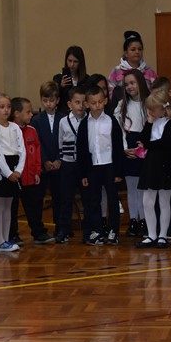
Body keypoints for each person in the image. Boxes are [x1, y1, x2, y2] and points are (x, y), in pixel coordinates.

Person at [77, 85, 125, 245]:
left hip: (110, 166)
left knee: (113, 200)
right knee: (93, 200)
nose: (97, 105)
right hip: (93, 167)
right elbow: (81, 150)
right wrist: (83, 174)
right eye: (93, 103)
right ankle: (96, 230)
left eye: (100, 102)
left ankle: (113, 231)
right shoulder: (84, 124)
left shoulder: (111, 121)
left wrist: (118, 172)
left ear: (105, 101)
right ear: (86, 104)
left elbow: (118, 147)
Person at [135, 88, 171, 249]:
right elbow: (143, 138)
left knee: (164, 201)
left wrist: (148, 144)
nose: (151, 112)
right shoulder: (152, 121)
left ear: (163, 107)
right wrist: (149, 122)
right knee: (148, 200)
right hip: (151, 163)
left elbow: (165, 143)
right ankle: (152, 234)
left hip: (165, 164)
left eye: (153, 109)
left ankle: (162, 235)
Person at [0, 92, 25, 252]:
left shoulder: (15, 127)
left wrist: (19, 170)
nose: (6, 110)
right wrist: (8, 173)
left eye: (8, 106)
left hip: (14, 167)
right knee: (0, 205)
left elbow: (22, 150)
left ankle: (6, 238)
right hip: (2, 169)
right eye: (2, 107)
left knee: (9, 205)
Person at [11, 97, 53, 244]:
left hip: (31, 176)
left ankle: (38, 232)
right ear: (17, 113)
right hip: (16, 177)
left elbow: (36, 152)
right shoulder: (10, 130)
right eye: (28, 112)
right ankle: (12, 235)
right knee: (13, 207)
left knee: (34, 205)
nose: (31, 115)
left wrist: (37, 171)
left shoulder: (32, 131)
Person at [114, 69, 149, 238]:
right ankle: (133, 220)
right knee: (132, 187)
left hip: (144, 146)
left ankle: (144, 220)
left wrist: (144, 147)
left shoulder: (148, 103)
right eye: (126, 84)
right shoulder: (122, 105)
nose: (129, 87)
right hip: (128, 147)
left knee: (143, 188)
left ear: (140, 82)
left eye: (132, 83)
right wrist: (124, 148)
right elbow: (119, 129)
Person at [31, 81, 65, 231]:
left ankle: (60, 227)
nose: (49, 104)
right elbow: (36, 143)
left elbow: (65, 141)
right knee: (38, 197)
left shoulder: (64, 118)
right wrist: (44, 160)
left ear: (57, 100)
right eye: (45, 100)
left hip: (59, 164)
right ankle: (38, 229)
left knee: (59, 197)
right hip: (42, 166)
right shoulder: (36, 120)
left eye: (52, 100)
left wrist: (59, 159)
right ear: (41, 100)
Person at [54, 88, 86, 243]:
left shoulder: (88, 120)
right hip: (68, 164)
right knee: (66, 198)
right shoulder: (63, 121)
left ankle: (89, 229)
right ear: (69, 104)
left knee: (87, 198)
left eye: (83, 102)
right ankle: (64, 229)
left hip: (83, 165)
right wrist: (62, 159)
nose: (81, 106)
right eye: (77, 102)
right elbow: (60, 142)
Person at [107, 30, 159, 101]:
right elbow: (110, 92)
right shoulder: (116, 71)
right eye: (133, 49)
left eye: (139, 49)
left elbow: (158, 90)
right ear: (126, 53)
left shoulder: (149, 71)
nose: (137, 52)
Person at [53, 46, 89, 112]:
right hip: (63, 113)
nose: (72, 64)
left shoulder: (86, 79)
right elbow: (53, 98)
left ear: (80, 63)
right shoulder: (58, 78)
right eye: (69, 61)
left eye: (75, 61)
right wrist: (60, 87)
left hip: (81, 113)